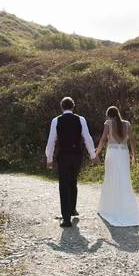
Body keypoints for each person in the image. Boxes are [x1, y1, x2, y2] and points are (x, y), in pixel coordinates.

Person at [45, 96, 96, 227]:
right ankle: (72, 209)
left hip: (63, 155)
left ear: (62, 107)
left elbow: (51, 141)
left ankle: (66, 218)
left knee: (64, 185)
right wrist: (92, 155)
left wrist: (49, 158)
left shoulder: (56, 120)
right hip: (77, 155)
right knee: (73, 181)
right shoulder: (81, 119)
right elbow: (87, 138)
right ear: (73, 107)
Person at [94, 105, 139, 227]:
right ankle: (125, 208)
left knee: (111, 179)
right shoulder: (127, 124)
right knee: (124, 180)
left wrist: (96, 153)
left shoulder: (108, 123)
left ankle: (110, 208)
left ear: (109, 115)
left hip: (113, 153)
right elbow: (132, 140)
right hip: (124, 153)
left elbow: (103, 140)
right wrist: (134, 156)